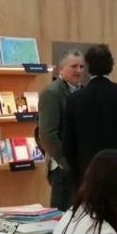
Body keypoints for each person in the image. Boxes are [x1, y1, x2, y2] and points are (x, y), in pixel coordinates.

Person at [63, 44, 117, 184]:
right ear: (111, 65)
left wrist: (76, 173)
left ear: (87, 67)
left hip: (87, 170)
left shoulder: (74, 99)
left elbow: (68, 143)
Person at [38, 49, 85, 211]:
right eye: (74, 66)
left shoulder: (84, 92)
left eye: (81, 66)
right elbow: (47, 134)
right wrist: (67, 162)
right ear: (61, 69)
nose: (78, 71)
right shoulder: (51, 93)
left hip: (83, 167)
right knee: (62, 219)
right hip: (63, 168)